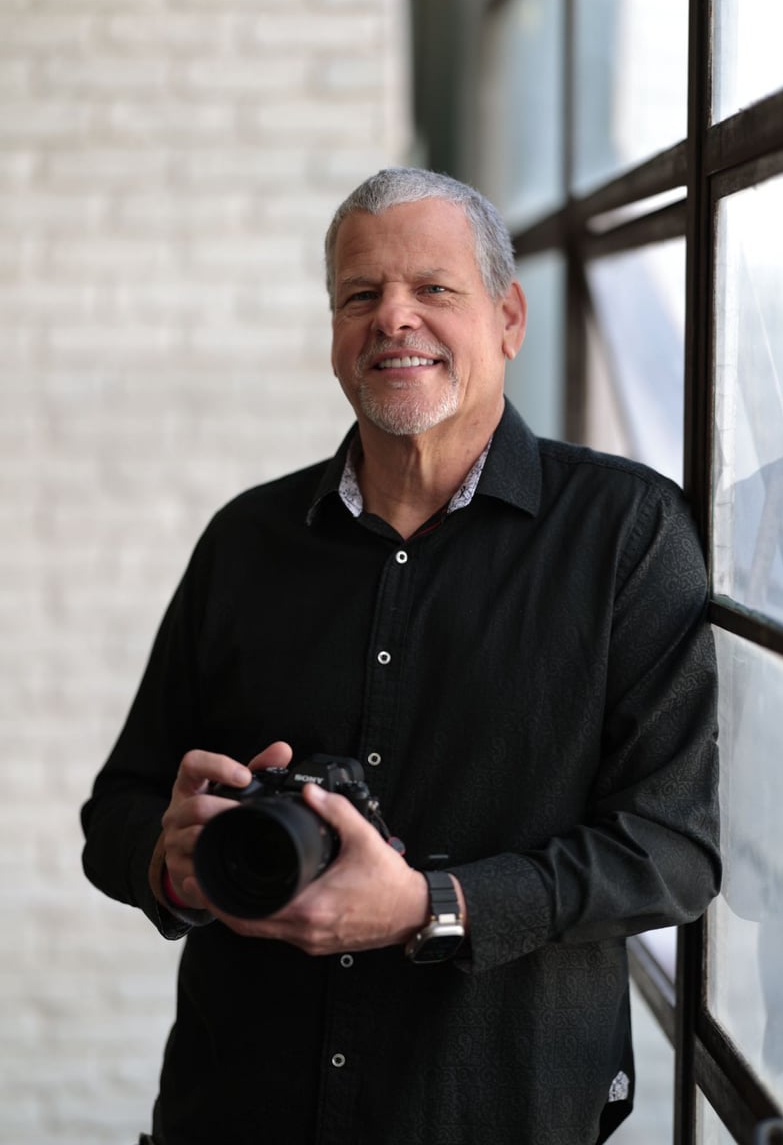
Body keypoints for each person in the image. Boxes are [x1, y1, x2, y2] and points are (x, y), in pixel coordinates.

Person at [81, 167, 721, 1145]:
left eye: (432, 289)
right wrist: (174, 868)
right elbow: (117, 809)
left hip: (494, 1113)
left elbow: (671, 854)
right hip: (236, 1110)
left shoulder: (624, 533)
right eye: (358, 296)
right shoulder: (247, 539)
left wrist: (435, 906)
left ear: (507, 317)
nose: (392, 319)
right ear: (334, 334)